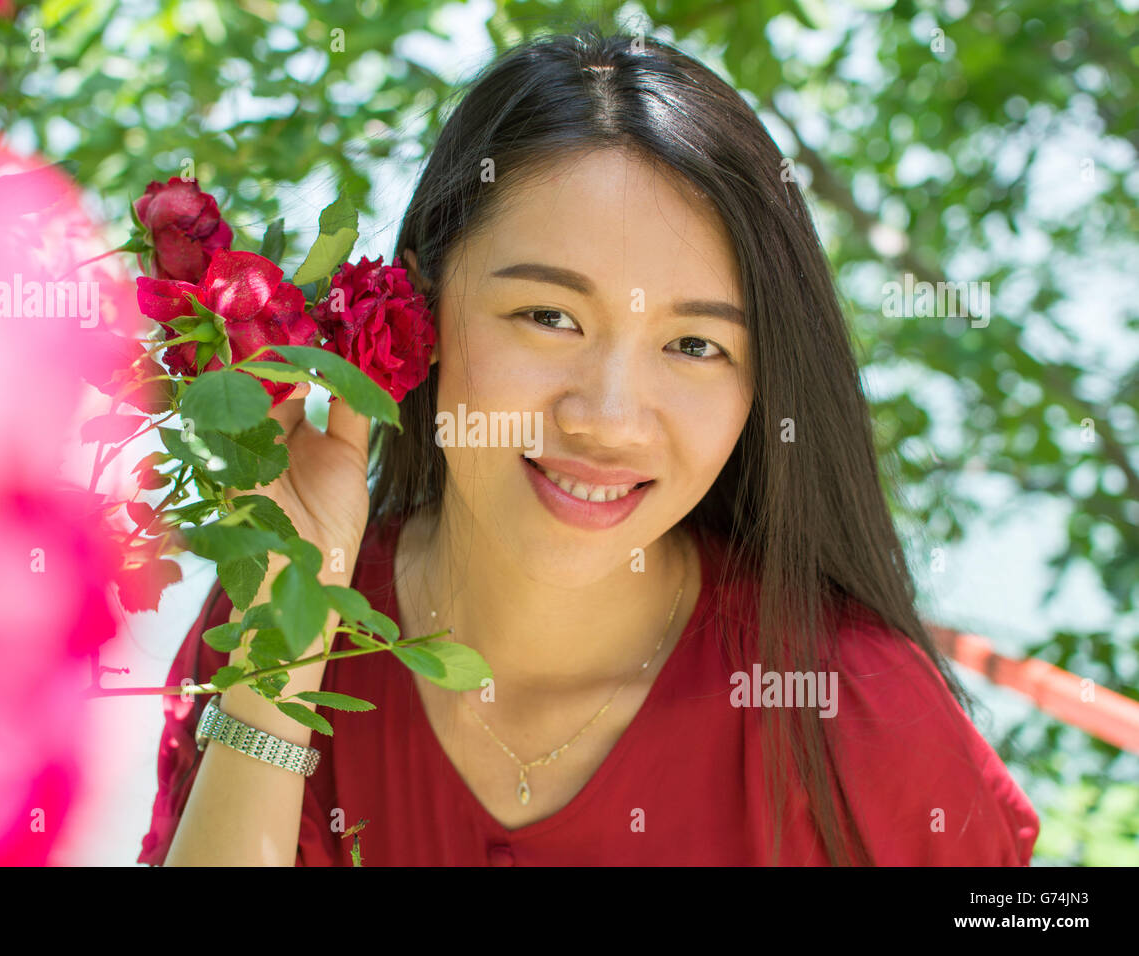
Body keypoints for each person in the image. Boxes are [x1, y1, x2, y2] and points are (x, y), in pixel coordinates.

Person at [139, 26, 1040, 866]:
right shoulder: (279, 615)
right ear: (421, 309)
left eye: (695, 345)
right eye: (548, 316)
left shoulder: (858, 714)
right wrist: (284, 651)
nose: (607, 419)